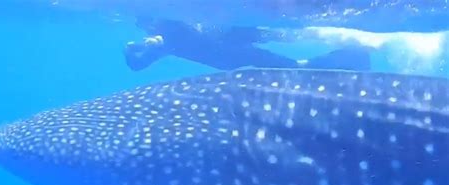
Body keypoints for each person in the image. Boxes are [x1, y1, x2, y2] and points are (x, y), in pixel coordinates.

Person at [124, 17, 372, 72]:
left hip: (230, 50)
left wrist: (146, 46)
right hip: (231, 50)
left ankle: (352, 49)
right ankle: (353, 53)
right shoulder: (165, 38)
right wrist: (139, 50)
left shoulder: (167, 34)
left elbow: (144, 58)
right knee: (295, 60)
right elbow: (138, 63)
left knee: (292, 51)